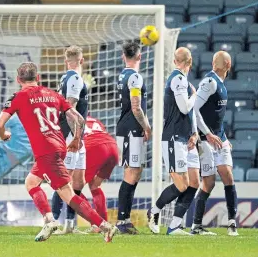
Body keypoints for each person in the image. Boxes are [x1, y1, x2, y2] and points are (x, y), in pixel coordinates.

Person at [0, 62, 117, 242]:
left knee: (67, 194)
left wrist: (4, 135)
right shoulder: (53, 94)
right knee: (31, 182)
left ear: (18, 79)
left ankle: (105, 226)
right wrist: (77, 138)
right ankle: (49, 220)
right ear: (38, 78)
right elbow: (79, 118)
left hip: (46, 152)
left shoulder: (18, 97)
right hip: (60, 147)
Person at [147, 47, 199, 235]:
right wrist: (195, 95)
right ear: (190, 61)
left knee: (194, 181)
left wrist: (194, 133)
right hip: (173, 138)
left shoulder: (182, 80)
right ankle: (154, 211)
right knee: (181, 185)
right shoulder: (177, 79)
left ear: (175, 61)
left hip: (186, 138)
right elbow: (185, 108)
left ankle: (175, 225)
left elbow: (189, 114)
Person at [191, 51, 238, 236]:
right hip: (206, 140)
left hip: (219, 138)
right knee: (208, 182)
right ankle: (196, 226)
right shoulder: (209, 83)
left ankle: (232, 223)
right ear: (229, 64)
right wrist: (208, 134)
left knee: (227, 174)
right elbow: (194, 110)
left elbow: (215, 115)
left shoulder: (220, 84)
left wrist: (222, 136)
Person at [52, 116, 118, 234]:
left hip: (93, 147)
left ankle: (97, 223)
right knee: (95, 185)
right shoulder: (95, 120)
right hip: (112, 147)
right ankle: (103, 223)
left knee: (67, 186)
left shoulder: (68, 119)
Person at [51, 45, 89, 234]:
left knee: (78, 181)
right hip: (70, 135)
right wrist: (75, 137)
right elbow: (70, 111)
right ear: (81, 61)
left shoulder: (64, 77)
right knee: (64, 180)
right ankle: (54, 222)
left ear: (66, 61)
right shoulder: (74, 78)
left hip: (77, 135)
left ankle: (70, 224)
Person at [115, 41, 152, 234]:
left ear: (123, 56)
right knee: (132, 172)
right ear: (139, 56)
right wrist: (147, 126)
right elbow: (136, 107)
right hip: (132, 129)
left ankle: (124, 219)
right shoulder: (135, 77)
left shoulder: (122, 75)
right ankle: (122, 221)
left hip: (125, 127)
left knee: (133, 172)